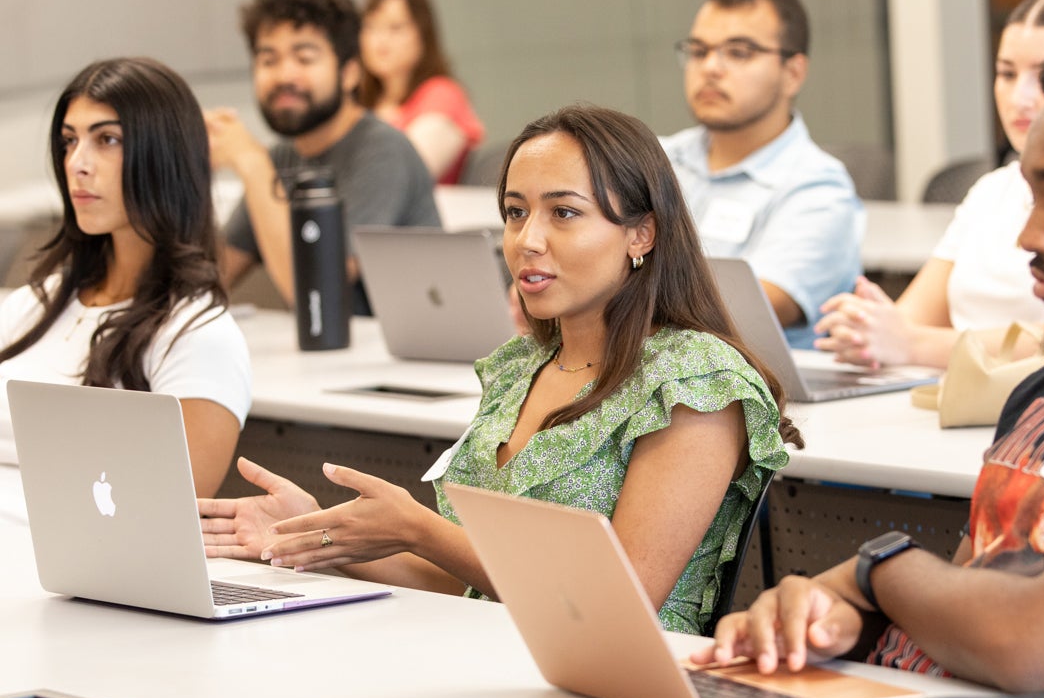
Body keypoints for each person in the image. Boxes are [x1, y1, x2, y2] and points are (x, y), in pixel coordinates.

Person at [200, 104, 802, 634]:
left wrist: (421, 529)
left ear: (640, 233)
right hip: (487, 660)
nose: (527, 240)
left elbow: (622, 600)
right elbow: (468, 583)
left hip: (622, 694)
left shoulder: (696, 381)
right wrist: (312, 532)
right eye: (515, 213)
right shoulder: (522, 367)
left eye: (563, 213)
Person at [693, 35, 1044, 691]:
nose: (1028, 236)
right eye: (1030, 201)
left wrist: (876, 571)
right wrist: (844, 617)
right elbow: (975, 596)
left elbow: (1028, 643)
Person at [0, 57, 251, 500]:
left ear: (164, 156)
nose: (77, 163)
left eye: (108, 139)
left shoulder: (198, 336)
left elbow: (164, 524)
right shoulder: (33, 304)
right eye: (69, 141)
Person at [815, 0, 1044, 369]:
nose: (1019, 97)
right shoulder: (992, 190)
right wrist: (866, 326)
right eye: (1006, 74)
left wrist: (914, 345)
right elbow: (910, 318)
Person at [207, 0, 440, 315]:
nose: (285, 75)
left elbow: (314, 292)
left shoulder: (382, 151)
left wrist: (249, 162)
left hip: (399, 362)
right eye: (268, 60)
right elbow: (210, 279)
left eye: (304, 58)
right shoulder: (283, 157)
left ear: (349, 74)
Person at [660, 0, 863, 349]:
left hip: (758, 399)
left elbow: (743, 315)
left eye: (739, 52)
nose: (711, 68)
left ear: (793, 73)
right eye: (699, 51)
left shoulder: (818, 188)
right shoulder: (655, 160)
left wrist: (588, 300)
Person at [359, 0, 485, 185]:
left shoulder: (443, 94)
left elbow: (405, 176)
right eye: (370, 27)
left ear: (423, 34)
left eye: (395, 27)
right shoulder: (362, 102)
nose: (380, 39)